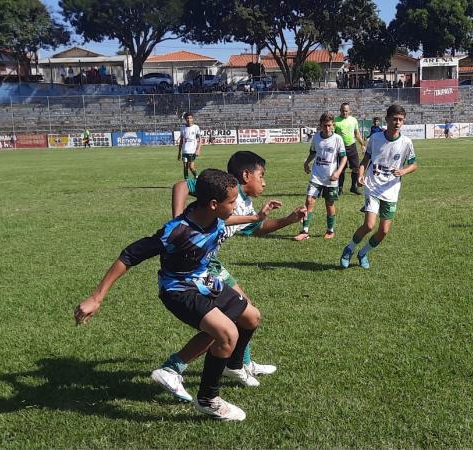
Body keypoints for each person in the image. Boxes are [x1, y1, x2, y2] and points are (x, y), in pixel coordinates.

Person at [75, 169, 258, 421]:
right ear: (214, 204)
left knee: (250, 316)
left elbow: (223, 222)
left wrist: (255, 216)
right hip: (179, 289)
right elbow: (130, 255)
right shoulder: (176, 232)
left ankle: (229, 365)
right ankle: (208, 400)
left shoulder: (213, 215)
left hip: (205, 280)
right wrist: (96, 297)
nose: (236, 205)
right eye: (232, 201)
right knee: (227, 332)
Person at [152, 151, 308, 400]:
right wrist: (179, 218)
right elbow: (182, 184)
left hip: (211, 264)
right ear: (246, 175)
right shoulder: (225, 189)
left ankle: (238, 364)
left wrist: (290, 219)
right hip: (198, 268)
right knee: (241, 314)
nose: (264, 182)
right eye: (261, 176)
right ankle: (187, 367)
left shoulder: (243, 203)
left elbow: (256, 228)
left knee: (247, 313)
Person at [339, 104, 418, 269]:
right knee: (369, 225)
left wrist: (403, 171)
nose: (397, 123)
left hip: (391, 190)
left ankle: (363, 253)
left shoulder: (406, 142)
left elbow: (414, 165)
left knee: (383, 231)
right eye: (394, 119)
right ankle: (349, 249)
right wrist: (360, 174)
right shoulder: (375, 139)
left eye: (401, 120)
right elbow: (365, 160)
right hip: (373, 186)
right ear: (387, 119)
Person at [294, 112, 348, 241]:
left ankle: (330, 230)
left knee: (329, 205)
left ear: (333, 125)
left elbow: (344, 157)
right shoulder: (316, 138)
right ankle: (305, 231)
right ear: (320, 125)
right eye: (325, 125)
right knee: (309, 201)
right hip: (316, 175)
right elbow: (313, 152)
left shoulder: (337, 139)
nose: (327, 128)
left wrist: (338, 172)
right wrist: (307, 162)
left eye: (330, 125)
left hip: (331, 178)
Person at [334, 102, 366, 195]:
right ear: (340, 110)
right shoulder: (336, 121)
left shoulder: (353, 120)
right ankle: (340, 188)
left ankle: (353, 187)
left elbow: (357, 134)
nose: (345, 113)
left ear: (349, 111)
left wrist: (362, 145)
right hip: (340, 148)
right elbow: (332, 135)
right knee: (341, 169)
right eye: (343, 111)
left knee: (356, 167)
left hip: (352, 147)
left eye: (346, 111)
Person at [178, 112, 202, 179]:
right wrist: (179, 153)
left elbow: (200, 140)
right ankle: (186, 181)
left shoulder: (196, 127)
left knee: (191, 167)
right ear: (185, 119)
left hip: (192, 151)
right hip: (184, 151)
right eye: (187, 118)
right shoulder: (182, 128)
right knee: (185, 167)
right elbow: (181, 141)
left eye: (190, 118)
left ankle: (197, 177)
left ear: (192, 119)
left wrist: (198, 149)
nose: (189, 119)